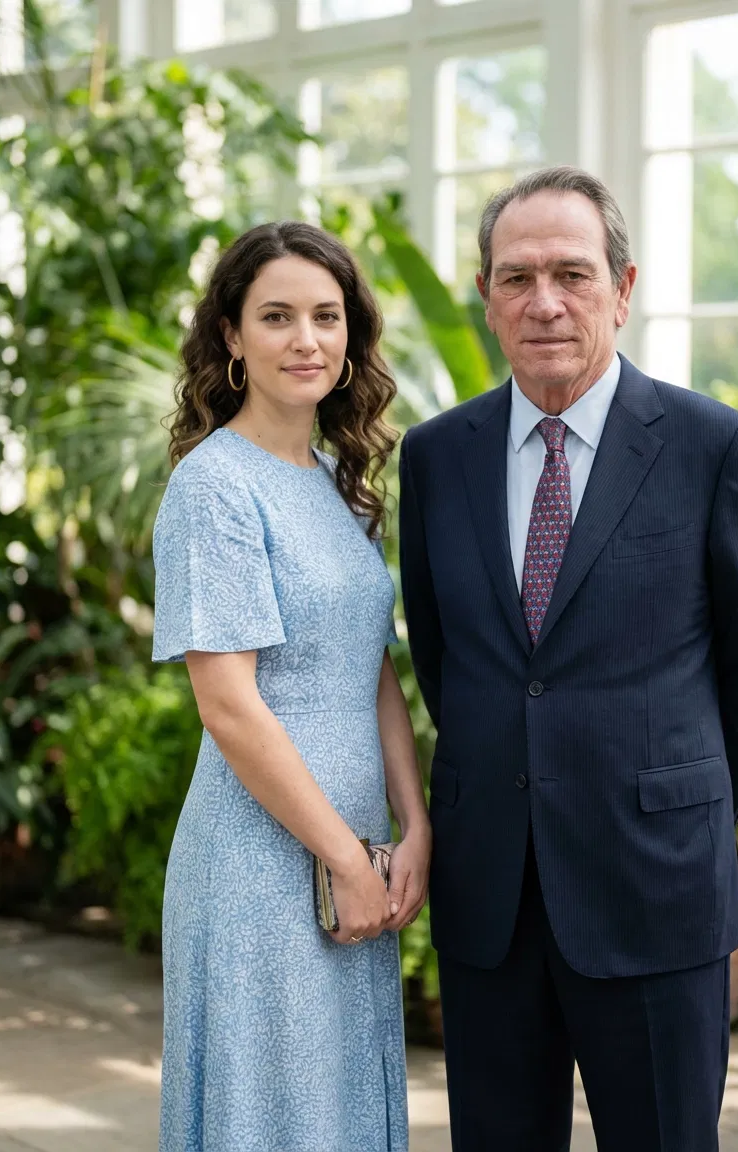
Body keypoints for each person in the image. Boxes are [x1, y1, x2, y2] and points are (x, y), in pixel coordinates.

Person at [399, 166, 738, 1152]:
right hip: (491, 894)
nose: (543, 302)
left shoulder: (711, 448)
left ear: (622, 290)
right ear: (486, 299)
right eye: (515, 276)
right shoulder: (434, 456)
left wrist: (680, 797)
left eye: (572, 274)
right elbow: (445, 660)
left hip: (655, 886)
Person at [151, 221, 430, 1152]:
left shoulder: (337, 481)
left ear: (351, 334)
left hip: (355, 844)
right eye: (276, 317)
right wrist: (346, 861)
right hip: (261, 861)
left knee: (340, 1108)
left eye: (326, 315)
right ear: (231, 336)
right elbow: (228, 705)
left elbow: (370, 665)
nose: (305, 339)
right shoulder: (213, 488)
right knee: (273, 1113)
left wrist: (410, 823)